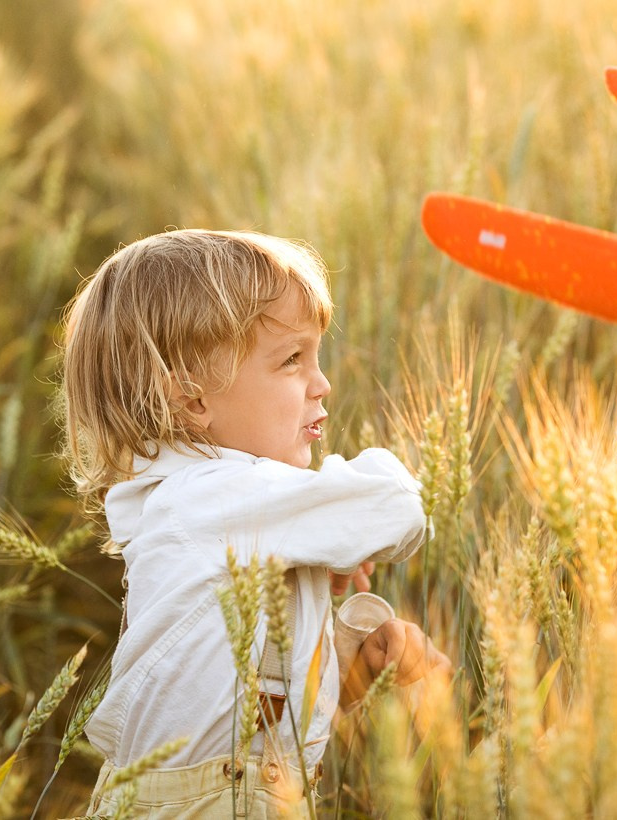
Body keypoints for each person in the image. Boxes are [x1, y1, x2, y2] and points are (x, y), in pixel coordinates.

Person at [59, 229, 449, 818]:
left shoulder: (211, 507)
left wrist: (345, 661)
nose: (322, 385)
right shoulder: (216, 495)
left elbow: (242, 702)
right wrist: (343, 511)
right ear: (193, 400)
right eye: (292, 361)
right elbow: (398, 507)